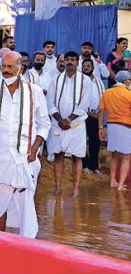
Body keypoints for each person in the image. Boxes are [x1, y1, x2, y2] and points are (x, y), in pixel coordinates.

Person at [0, 51, 50, 238]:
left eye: (11, 66)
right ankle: (0, 240)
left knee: (25, 201)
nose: (6, 70)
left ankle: (27, 245)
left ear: (21, 69)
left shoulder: (34, 91)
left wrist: (34, 151)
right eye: (3, 66)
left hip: (25, 158)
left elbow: (45, 124)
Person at [47, 51, 92, 197]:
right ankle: (58, 187)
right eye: (67, 59)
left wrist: (69, 120)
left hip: (76, 124)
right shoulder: (56, 79)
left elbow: (84, 104)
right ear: (63, 61)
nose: (70, 62)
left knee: (77, 156)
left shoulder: (85, 80)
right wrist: (60, 119)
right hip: (58, 123)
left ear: (78, 63)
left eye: (73, 59)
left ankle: (75, 188)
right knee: (58, 155)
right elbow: (50, 102)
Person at [98, 71, 131, 191]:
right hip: (126, 126)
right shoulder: (128, 94)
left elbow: (101, 112)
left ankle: (113, 181)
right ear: (126, 81)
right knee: (127, 156)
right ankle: (121, 185)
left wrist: (100, 127)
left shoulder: (106, 93)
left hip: (111, 125)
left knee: (115, 155)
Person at [81, 59, 105, 174]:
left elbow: (103, 98)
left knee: (95, 142)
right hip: (82, 116)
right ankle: (84, 165)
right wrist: (87, 113)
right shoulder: (79, 81)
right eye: (84, 66)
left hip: (96, 116)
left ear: (93, 67)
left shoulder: (99, 81)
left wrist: (98, 113)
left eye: (88, 66)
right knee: (82, 141)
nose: (86, 68)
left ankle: (94, 166)